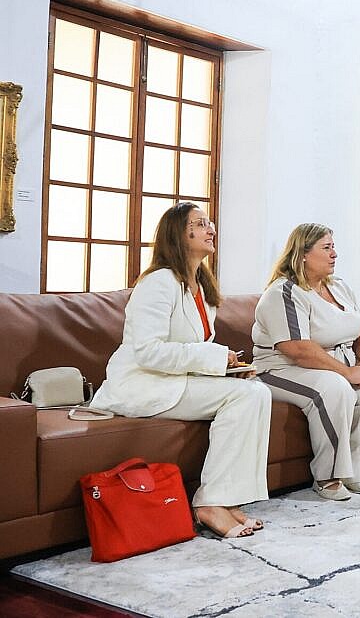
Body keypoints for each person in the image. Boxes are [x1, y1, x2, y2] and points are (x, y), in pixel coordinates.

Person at [90, 202, 272, 539]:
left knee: (256, 391)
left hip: (176, 381)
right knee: (247, 397)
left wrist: (227, 370)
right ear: (179, 233)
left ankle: (228, 498)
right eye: (200, 224)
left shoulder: (201, 288)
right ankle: (211, 503)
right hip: (143, 384)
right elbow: (148, 352)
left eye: (210, 222)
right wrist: (217, 359)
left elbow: (192, 352)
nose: (211, 229)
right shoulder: (158, 283)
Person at [252, 223, 360, 501]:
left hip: (332, 366)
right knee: (334, 388)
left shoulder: (339, 286)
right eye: (327, 248)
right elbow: (297, 349)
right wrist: (347, 373)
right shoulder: (284, 292)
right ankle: (328, 476)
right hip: (281, 369)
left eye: (334, 247)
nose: (334, 254)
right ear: (303, 253)